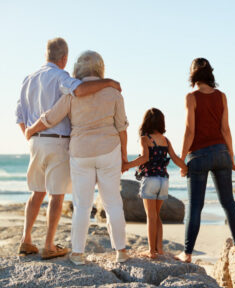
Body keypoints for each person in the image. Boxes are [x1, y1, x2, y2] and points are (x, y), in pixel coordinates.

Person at [16, 38, 122, 259]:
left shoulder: (28, 78)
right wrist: (109, 82)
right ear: (64, 58)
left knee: (36, 192)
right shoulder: (61, 77)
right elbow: (81, 90)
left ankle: (26, 240)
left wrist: (29, 132)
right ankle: (48, 245)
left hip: (35, 141)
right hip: (58, 139)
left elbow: (19, 114)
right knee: (57, 195)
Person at [175, 58, 235, 263]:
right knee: (228, 202)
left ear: (193, 75)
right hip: (221, 152)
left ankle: (187, 254)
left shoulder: (191, 97)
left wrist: (181, 159)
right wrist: (230, 156)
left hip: (198, 155)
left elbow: (190, 130)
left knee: (195, 206)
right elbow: (226, 129)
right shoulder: (221, 96)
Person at [122, 108, 187, 259]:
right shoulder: (165, 140)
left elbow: (144, 158)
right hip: (163, 180)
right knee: (157, 216)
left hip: (150, 179)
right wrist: (186, 168)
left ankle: (151, 251)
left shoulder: (145, 139)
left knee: (150, 216)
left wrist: (126, 165)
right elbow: (176, 159)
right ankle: (160, 249)